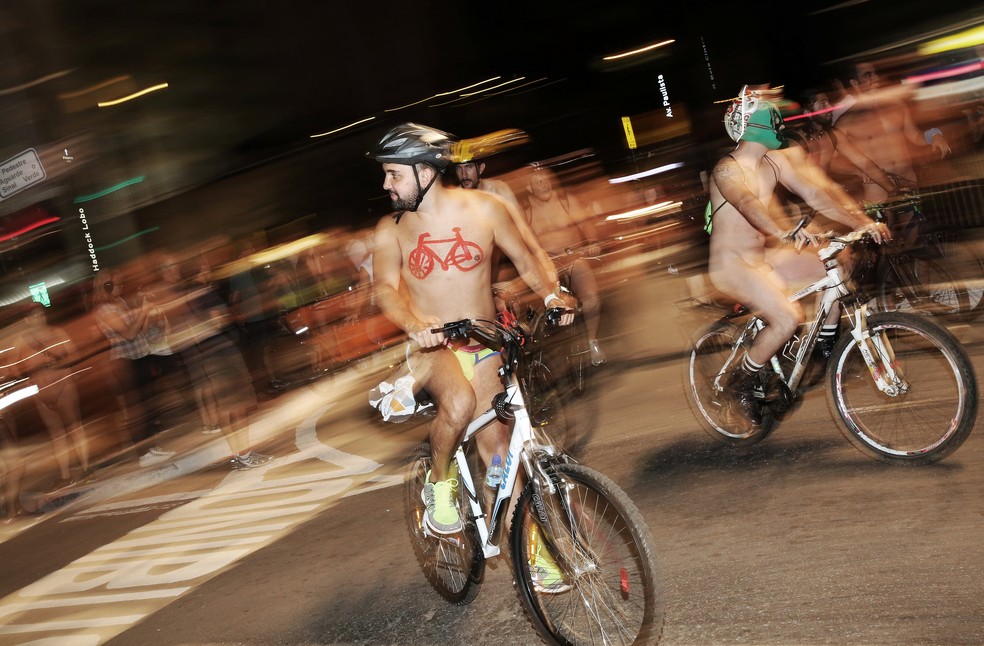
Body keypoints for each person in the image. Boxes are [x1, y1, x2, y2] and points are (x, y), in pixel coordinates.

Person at [368, 123, 574, 550]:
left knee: (501, 453)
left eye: (394, 174)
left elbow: (527, 260)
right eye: (387, 175)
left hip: (484, 342)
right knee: (458, 403)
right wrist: (413, 324)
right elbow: (385, 288)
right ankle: (438, 481)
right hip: (432, 345)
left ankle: (536, 553)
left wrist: (553, 294)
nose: (386, 184)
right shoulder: (391, 228)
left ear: (425, 172)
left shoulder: (485, 209)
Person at [706, 86, 889, 428]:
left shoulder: (773, 162)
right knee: (787, 317)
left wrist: (863, 222)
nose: (777, 121)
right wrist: (782, 232)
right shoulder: (726, 170)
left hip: (765, 259)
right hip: (732, 265)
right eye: (770, 117)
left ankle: (824, 347)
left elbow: (817, 195)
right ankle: (740, 383)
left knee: (837, 259)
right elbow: (747, 204)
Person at [832, 61, 952, 202]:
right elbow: (833, 162)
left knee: (914, 223)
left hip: (907, 179)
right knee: (885, 224)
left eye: (875, 73)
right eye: (868, 75)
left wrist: (934, 135)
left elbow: (915, 136)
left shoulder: (897, 106)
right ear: (854, 83)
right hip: (877, 187)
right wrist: (857, 171)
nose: (875, 78)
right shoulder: (846, 120)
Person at [91, 268, 176, 467]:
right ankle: (143, 453)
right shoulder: (104, 310)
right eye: (117, 283)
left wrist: (147, 311)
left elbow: (141, 331)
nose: (121, 286)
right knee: (138, 407)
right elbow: (128, 334)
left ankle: (151, 446)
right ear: (107, 286)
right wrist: (144, 311)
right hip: (126, 361)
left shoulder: (119, 303)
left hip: (141, 355)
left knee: (150, 404)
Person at [524, 164, 607, 365]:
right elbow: (520, 243)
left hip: (572, 258)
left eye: (547, 180)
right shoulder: (526, 212)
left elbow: (585, 223)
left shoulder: (566, 201)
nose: (545, 185)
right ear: (529, 188)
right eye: (538, 182)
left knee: (593, 298)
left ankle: (592, 341)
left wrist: (593, 242)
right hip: (546, 265)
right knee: (538, 308)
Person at [20, 303, 91, 490]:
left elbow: (74, 355)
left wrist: (58, 364)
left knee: (74, 427)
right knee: (56, 435)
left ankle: (85, 467)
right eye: (34, 316)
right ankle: (65, 475)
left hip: (63, 386)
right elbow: (17, 368)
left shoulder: (57, 333)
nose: (39, 318)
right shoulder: (21, 341)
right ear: (27, 320)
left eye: (41, 315)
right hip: (41, 394)